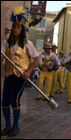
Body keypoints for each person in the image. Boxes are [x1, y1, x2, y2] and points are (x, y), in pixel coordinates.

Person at [1, 6, 39, 137]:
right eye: (14, 26)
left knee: (14, 99)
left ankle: (15, 126)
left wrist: (28, 72)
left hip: (21, 76)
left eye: (18, 26)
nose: (16, 28)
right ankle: (7, 126)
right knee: (5, 100)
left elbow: (36, 59)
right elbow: (1, 59)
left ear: (22, 28)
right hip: (8, 75)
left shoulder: (28, 44)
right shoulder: (6, 43)